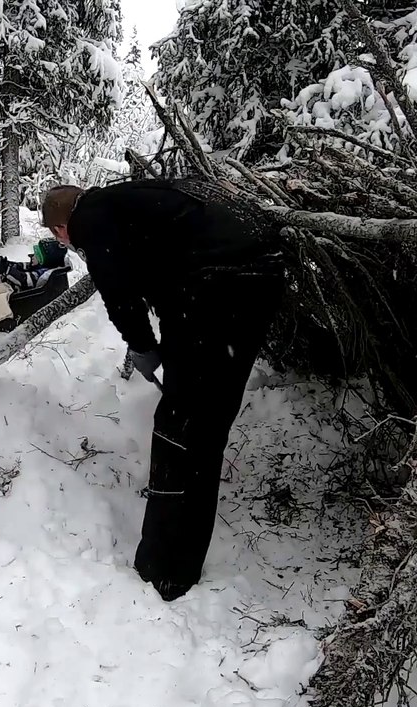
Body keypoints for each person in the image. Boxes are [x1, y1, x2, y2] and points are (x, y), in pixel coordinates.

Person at [40, 178, 286, 601]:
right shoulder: (126, 200)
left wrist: (141, 345)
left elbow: (119, 292)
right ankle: (180, 560)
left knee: (180, 427)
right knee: (208, 424)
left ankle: (163, 570)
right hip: (260, 272)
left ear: (61, 229)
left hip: (216, 283)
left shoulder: (90, 220)